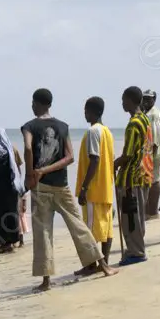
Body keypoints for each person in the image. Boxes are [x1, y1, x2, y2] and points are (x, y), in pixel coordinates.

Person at [22, 88, 116, 292]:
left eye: (32, 102)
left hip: (41, 186)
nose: (32, 106)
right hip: (61, 185)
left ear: (37, 104)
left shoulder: (29, 126)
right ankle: (103, 265)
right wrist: (47, 169)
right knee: (78, 225)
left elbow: (29, 149)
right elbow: (69, 157)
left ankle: (46, 281)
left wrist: (33, 174)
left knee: (43, 231)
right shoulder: (62, 126)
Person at [114, 86, 154, 264]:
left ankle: (136, 251)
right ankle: (136, 249)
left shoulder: (133, 124)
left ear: (130, 100)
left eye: (124, 100)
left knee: (130, 217)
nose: (122, 103)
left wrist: (113, 164)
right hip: (145, 173)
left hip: (132, 177)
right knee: (137, 215)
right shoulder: (145, 119)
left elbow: (128, 154)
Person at [77, 96, 115, 266]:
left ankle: (93, 265)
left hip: (94, 189)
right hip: (105, 188)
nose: (85, 114)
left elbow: (95, 159)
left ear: (95, 112)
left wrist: (84, 187)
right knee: (106, 227)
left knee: (90, 229)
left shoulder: (93, 131)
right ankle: (104, 261)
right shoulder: (108, 132)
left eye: (87, 110)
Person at [141, 90, 160, 219]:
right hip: (149, 154)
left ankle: (153, 211)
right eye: (144, 98)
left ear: (154, 100)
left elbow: (154, 138)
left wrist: (150, 156)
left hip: (154, 155)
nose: (145, 101)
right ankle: (148, 211)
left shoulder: (153, 114)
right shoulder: (148, 113)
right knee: (148, 181)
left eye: (148, 99)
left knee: (154, 181)